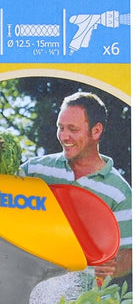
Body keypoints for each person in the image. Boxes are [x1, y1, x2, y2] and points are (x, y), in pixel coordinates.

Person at [21, 92, 132, 288]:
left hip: (82, 298)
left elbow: (129, 252)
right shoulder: (34, 170)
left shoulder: (119, 192)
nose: (64, 136)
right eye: (61, 127)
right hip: (28, 284)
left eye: (73, 129)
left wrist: (114, 267)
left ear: (96, 131)